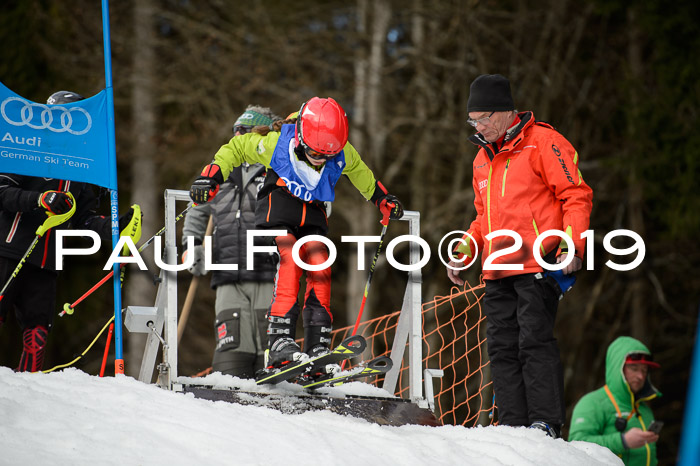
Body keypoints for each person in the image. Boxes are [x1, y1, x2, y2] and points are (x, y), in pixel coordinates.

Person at [189, 96, 403, 370]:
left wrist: (382, 199)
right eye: (314, 153)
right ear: (301, 138)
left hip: (312, 216)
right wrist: (212, 175)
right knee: (291, 258)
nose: (318, 160)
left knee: (320, 265)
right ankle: (279, 340)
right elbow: (238, 148)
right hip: (278, 211)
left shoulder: (341, 153)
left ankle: (318, 344)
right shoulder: (277, 144)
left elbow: (362, 174)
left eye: (325, 156)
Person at [446, 74, 593, 438]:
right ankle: (513, 426)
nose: (479, 127)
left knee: (533, 340)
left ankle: (544, 423)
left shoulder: (543, 142)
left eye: (484, 119)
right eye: (473, 120)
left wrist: (571, 246)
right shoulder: (482, 158)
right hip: (497, 269)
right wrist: (464, 252)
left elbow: (576, 195)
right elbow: (483, 217)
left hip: (538, 264)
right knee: (501, 347)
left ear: (506, 111)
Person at [0, 91, 141, 372]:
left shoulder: (79, 166)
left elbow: (83, 217)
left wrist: (113, 227)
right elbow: (3, 191)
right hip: (10, 247)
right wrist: (39, 199)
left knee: (37, 332)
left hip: (47, 260)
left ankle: (30, 386)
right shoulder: (27, 147)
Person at [182, 105, 281, 378]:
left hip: (269, 270)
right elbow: (196, 210)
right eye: (235, 131)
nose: (238, 136)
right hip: (227, 271)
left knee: (270, 342)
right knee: (231, 347)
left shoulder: (280, 167)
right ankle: (230, 401)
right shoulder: (221, 170)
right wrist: (192, 246)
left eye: (245, 131)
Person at [569, 337, 662, 465]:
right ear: (618, 367)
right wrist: (623, 441)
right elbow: (576, 445)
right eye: (634, 368)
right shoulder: (592, 402)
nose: (640, 376)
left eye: (644, 370)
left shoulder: (645, 410)